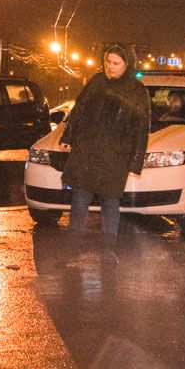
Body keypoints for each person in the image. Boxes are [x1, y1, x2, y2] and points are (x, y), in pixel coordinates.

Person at [57, 43, 151, 240]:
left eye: (116, 63)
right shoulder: (97, 81)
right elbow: (79, 110)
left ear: (127, 65)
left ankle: (109, 250)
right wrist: (68, 137)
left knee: (110, 202)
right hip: (87, 152)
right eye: (108, 61)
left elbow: (141, 129)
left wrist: (135, 162)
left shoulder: (137, 90)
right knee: (80, 199)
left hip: (115, 156)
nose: (110, 66)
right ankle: (73, 246)